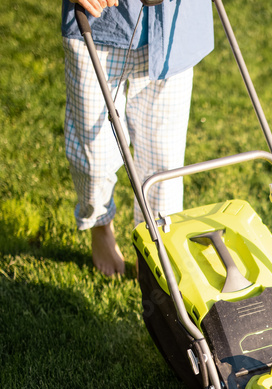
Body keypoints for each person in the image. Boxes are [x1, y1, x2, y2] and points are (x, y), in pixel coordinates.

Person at [61, 0, 214, 276]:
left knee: (164, 163)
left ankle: (154, 245)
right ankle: (100, 224)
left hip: (175, 28)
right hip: (97, 23)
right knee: (92, 157)